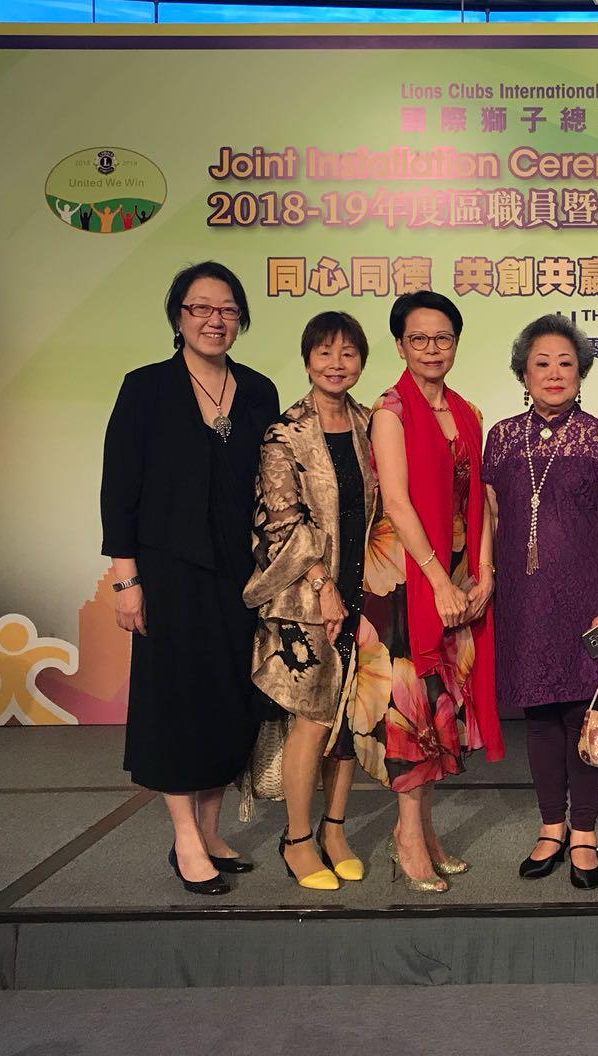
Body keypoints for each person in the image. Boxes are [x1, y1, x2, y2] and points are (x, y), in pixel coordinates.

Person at [100, 261, 279, 895]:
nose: (214, 320)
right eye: (201, 308)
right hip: (168, 572)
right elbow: (118, 488)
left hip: (240, 576)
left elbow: (271, 487)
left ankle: (209, 829)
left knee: (226, 700)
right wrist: (127, 580)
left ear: (241, 319)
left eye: (227, 309)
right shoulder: (146, 388)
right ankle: (183, 838)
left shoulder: (258, 391)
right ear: (179, 317)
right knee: (174, 701)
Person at [346, 291, 501, 894]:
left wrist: (483, 571)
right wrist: (438, 579)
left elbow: (478, 499)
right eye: (419, 339)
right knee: (412, 711)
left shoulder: (467, 410)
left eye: (443, 338)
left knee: (442, 709)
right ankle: (407, 838)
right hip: (408, 579)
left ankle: (425, 831)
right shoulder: (391, 412)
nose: (432, 349)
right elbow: (397, 502)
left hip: (456, 576)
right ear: (400, 345)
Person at [483, 315, 598, 891]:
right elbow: (489, 519)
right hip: (524, 601)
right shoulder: (502, 437)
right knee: (540, 717)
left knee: (584, 715)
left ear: (581, 372)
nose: (554, 373)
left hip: (588, 603)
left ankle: (583, 832)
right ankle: (550, 826)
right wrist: (484, 577)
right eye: (542, 363)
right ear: (523, 373)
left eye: (565, 363)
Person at [244, 311, 376, 892]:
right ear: (306, 361)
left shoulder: (372, 424)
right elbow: (282, 520)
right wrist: (324, 587)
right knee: (313, 719)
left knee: (349, 721)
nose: (336, 364)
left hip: (367, 591)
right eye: (324, 353)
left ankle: (335, 829)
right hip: (307, 600)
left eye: (348, 353)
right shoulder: (285, 433)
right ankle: (297, 839)